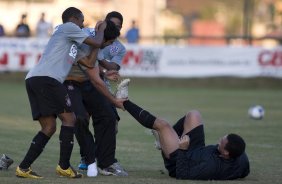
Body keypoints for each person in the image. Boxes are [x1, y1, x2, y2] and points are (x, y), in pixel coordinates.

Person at [15, 7, 124, 179]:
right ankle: (64, 166)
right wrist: (101, 29)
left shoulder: (72, 43)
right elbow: (96, 42)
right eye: (81, 21)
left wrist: (101, 67)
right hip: (48, 80)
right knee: (70, 119)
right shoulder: (69, 27)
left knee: (49, 127)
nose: (83, 24)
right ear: (74, 18)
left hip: (35, 79)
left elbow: (88, 63)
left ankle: (23, 167)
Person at [121, 86, 250, 180]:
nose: (220, 139)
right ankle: (164, 141)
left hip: (179, 160)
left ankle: (124, 101)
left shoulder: (210, 168)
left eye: (223, 141)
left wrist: (182, 150)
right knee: (194, 115)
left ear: (226, 153)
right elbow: (244, 171)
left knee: (162, 125)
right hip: (197, 150)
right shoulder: (241, 159)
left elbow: (182, 174)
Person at [64, 18, 124, 177]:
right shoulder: (83, 37)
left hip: (87, 82)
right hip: (69, 82)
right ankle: (87, 158)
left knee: (109, 116)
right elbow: (90, 67)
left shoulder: (100, 40)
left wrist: (104, 73)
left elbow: (92, 69)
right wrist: (114, 100)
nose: (111, 45)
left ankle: (106, 163)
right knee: (81, 119)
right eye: (110, 42)